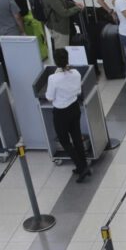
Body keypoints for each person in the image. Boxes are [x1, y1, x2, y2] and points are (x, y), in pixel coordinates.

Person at [45, 48, 92, 183]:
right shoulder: (75, 73)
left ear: (55, 61)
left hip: (61, 113)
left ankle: (81, 166)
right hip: (74, 108)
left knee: (65, 141)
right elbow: (77, 91)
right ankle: (83, 164)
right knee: (77, 138)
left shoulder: (53, 78)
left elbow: (49, 98)